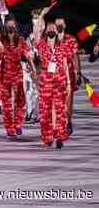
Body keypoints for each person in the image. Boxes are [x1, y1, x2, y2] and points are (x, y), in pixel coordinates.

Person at [34, 8, 71, 149]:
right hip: (46, 80)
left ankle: (60, 135)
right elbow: (36, 30)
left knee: (60, 108)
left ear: (56, 32)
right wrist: (42, 15)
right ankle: (48, 138)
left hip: (60, 80)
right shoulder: (41, 45)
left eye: (53, 28)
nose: (50, 30)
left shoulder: (61, 47)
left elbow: (65, 66)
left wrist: (68, 82)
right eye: (48, 28)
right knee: (45, 110)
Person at [1, 17, 37, 138]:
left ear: (16, 27)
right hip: (4, 74)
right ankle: (9, 128)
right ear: (5, 27)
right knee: (6, 102)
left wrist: (33, 69)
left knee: (20, 100)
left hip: (17, 73)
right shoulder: (2, 40)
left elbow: (28, 55)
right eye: (8, 26)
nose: (11, 28)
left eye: (13, 26)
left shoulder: (21, 40)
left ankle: (17, 125)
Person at [55, 17, 80, 135]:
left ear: (64, 26)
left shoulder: (71, 39)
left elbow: (75, 56)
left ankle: (68, 121)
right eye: (57, 24)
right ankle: (56, 126)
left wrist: (78, 72)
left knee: (68, 101)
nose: (59, 26)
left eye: (61, 24)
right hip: (54, 73)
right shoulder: (51, 39)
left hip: (68, 72)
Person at [24, 9, 42, 123]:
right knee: (28, 90)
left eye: (38, 18)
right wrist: (30, 64)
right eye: (34, 18)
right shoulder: (28, 34)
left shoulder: (46, 34)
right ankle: (28, 112)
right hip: (28, 65)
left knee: (38, 91)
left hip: (41, 65)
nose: (35, 20)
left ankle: (37, 115)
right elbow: (26, 50)